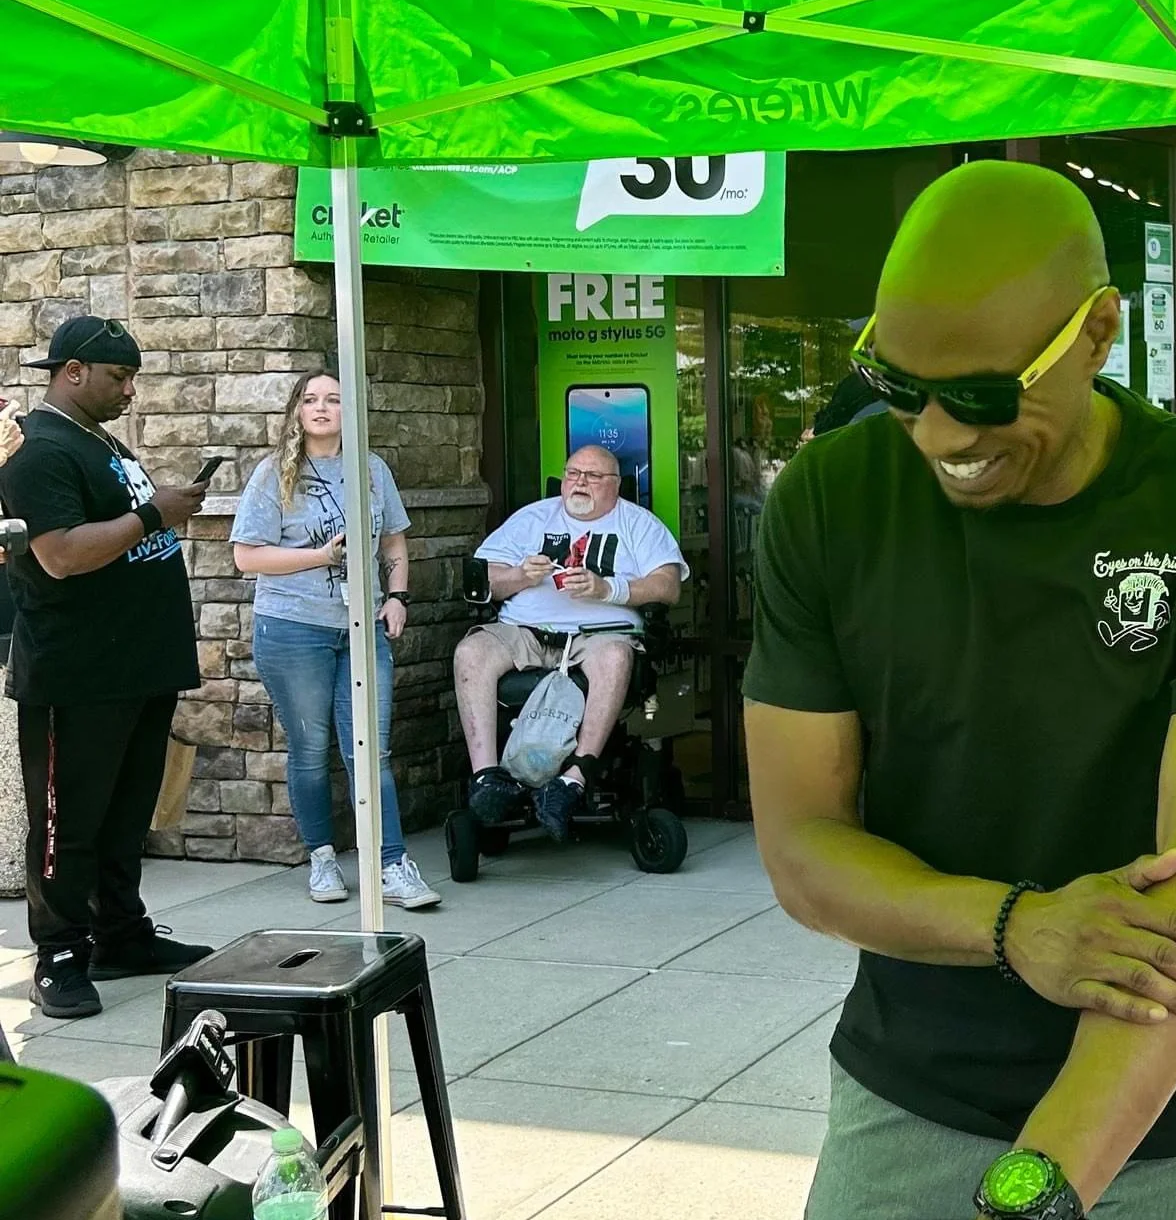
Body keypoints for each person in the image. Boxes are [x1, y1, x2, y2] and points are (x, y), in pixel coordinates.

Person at [744, 161, 1176, 1220]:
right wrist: (1018, 923)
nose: (942, 433)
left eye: (985, 395)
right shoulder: (828, 500)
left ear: (1099, 331)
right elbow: (801, 848)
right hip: (906, 1078)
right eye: (899, 387)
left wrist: (1026, 1213)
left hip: (1150, 1115)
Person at [0, 316, 213, 1021]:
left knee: (125, 817)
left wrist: (157, 512)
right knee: (68, 824)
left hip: (136, 666)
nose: (129, 390)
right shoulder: (38, 452)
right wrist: (157, 515)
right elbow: (58, 553)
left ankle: (121, 933)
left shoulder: (98, 441)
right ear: (72, 373)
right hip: (78, 676)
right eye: (119, 377)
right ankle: (58, 954)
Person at [229, 368, 437, 911]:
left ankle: (392, 863)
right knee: (311, 748)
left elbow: (393, 540)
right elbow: (247, 556)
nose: (322, 408)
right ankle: (322, 857)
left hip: (363, 628)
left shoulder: (371, 469)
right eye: (311, 399)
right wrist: (320, 557)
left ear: (351, 411)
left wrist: (398, 596)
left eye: (334, 400)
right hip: (294, 628)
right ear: (297, 411)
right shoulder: (274, 474)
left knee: (371, 748)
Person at [456, 444, 685, 843]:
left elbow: (668, 587)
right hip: (526, 631)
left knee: (616, 655)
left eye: (593, 476)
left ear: (615, 486)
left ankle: (576, 776)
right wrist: (520, 576)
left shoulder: (638, 524)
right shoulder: (531, 519)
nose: (580, 483)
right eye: (573, 474)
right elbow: (484, 581)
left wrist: (608, 588)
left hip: (598, 636)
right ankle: (486, 779)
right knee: (471, 651)